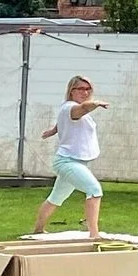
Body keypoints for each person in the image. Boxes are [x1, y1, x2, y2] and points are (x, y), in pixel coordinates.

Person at [31, 76, 108, 237]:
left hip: (75, 161)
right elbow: (80, 110)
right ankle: (94, 234)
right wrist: (95, 104)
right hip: (67, 162)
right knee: (94, 191)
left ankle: (38, 229)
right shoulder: (72, 107)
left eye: (88, 89)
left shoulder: (67, 108)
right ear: (71, 91)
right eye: (80, 89)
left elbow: (66, 121)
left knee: (56, 197)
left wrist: (53, 130)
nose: (85, 92)